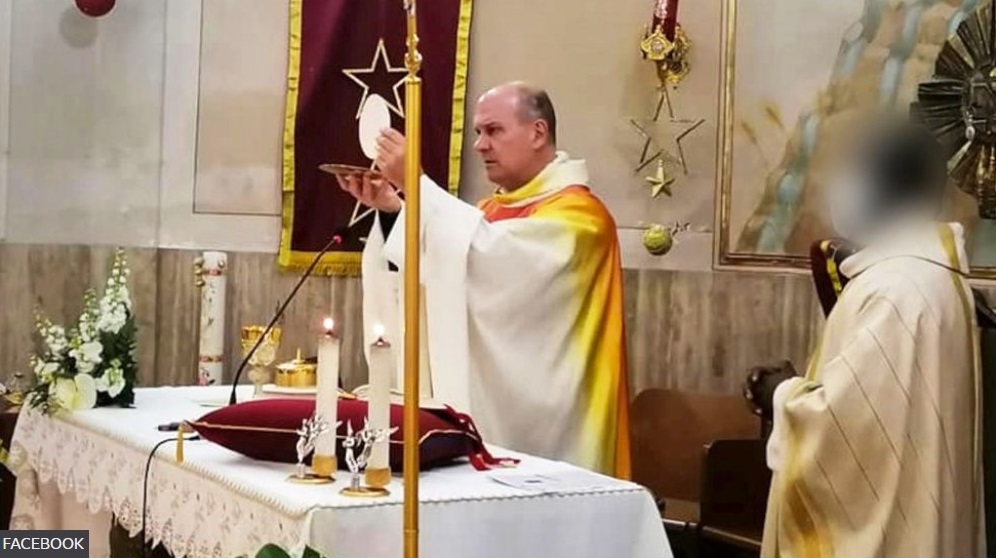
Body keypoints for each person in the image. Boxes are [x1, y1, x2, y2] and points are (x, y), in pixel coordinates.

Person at [337, 81, 631, 478]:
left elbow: (488, 258)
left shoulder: (583, 220)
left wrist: (415, 185)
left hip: (557, 438)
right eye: (477, 132)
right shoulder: (489, 212)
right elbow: (445, 270)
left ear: (538, 132)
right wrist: (394, 211)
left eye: (493, 130)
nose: (480, 145)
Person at [744, 119, 984, 558]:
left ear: (884, 183)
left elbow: (851, 430)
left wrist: (781, 393)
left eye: (853, 170)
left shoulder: (896, 288)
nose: (840, 186)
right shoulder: (927, 274)